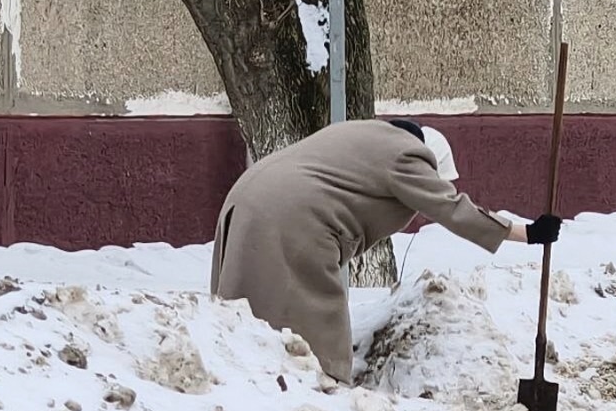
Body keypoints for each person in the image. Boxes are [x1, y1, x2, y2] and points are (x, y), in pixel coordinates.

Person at [209, 118, 562, 384]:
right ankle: (328, 390)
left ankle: (244, 379)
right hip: (295, 217)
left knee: (248, 305)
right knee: (319, 313)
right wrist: (527, 232)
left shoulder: (368, 136)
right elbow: (452, 209)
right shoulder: (407, 156)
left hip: (248, 198)